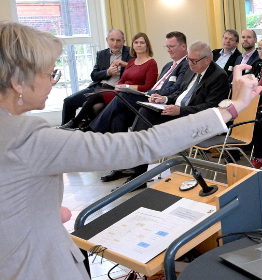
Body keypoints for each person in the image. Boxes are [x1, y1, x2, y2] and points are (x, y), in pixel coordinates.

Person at [0, 22, 262, 280]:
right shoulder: (25, 138)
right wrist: (233, 107)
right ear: (18, 82)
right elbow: (143, 144)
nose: (52, 81)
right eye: (49, 73)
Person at [121, 41, 230, 182]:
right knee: (144, 111)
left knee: (145, 117)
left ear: (207, 59)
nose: (190, 64)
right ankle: (135, 166)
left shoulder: (218, 76)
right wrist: (165, 99)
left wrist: (180, 110)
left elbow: (211, 107)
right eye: (188, 59)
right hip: (176, 112)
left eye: (194, 61)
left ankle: (136, 172)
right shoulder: (191, 70)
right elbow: (180, 93)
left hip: (193, 120)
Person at [91, 32, 190, 183]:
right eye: (167, 47)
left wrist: (152, 94)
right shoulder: (168, 65)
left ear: (183, 47)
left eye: (172, 46)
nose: (168, 50)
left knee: (122, 97)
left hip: (159, 103)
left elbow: (176, 89)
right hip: (148, 98)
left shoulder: (186, 65)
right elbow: (156, 86)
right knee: (118, 118)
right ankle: (121, 167)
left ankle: (95, 131)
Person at [61, 32, 158, 130]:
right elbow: (117, 79)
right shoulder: (131, 61)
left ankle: (85, 126)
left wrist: (127, 86)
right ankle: (74, 126)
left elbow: (148, 86)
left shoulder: (147, 62)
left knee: (98, 100)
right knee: (82, 100)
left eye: (142, 43)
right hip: (115, 90)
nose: (139, 45)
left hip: (130, 94)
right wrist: (112, 76)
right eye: (136, 42)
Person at [61, 28, 130, 125]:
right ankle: (66, 130)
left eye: (118, 40)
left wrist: (125, 64)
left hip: (114, 89)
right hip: (97, 87)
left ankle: (78, 126)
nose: (115, 43)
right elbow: (94, 75)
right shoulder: (102, 54)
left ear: (123, 41)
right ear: (107, 40)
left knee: (91, 105)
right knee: (68, 101)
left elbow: (137, 69)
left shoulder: (131, 53)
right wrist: (107, 72)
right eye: (112, 40)